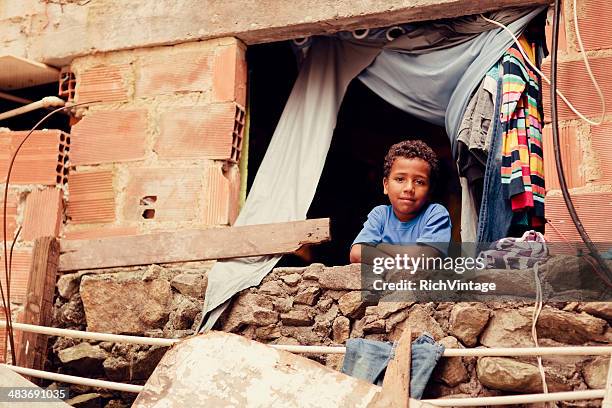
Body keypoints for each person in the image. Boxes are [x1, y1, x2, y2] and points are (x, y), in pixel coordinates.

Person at [349, 140, 452, 263]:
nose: (409, 188)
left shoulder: (435, 214)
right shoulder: (380, 214)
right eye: (400, 179)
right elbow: (356, 253)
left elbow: (427, 258)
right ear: (386, 185)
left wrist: (381, 247)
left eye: (419, 182)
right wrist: (400, 262)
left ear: (430, 190)